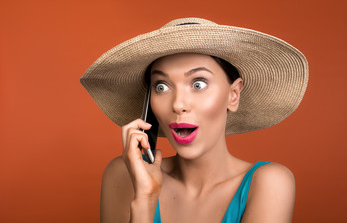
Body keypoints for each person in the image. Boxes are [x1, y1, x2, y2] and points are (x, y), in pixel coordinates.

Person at [80, 18, 308, 223]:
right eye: (161, 86)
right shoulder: (125, 175)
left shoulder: (268, 183)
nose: (178, 104)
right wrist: (145, 201)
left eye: (198, 84)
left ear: (233, 94)